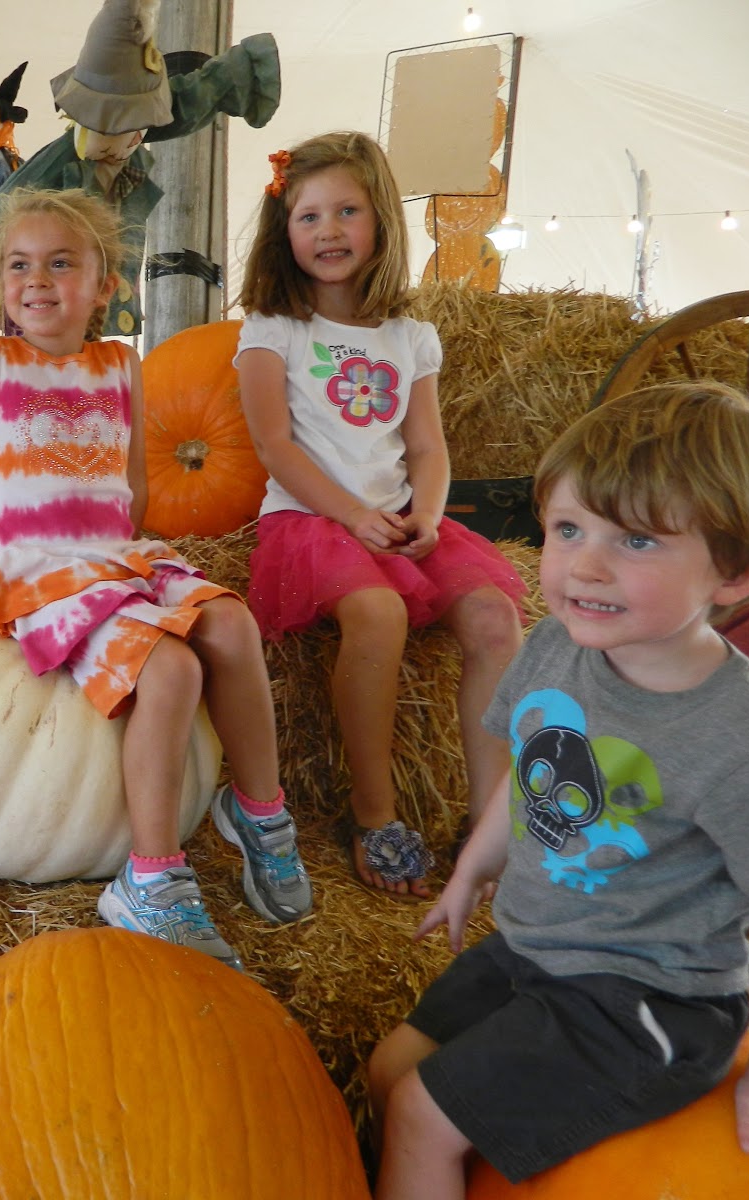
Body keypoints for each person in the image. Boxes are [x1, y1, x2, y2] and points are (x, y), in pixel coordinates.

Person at [0, 186, 310, 970]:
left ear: (104, 282)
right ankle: (150, 878)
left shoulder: (122, 365)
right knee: (173, 665)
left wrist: (126, 552)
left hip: (116, 560)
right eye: (20, 265)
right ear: (0, 284)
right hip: (37, 574)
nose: (38, 280)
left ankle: (260, 811)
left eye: (61, 263)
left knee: (231, 624)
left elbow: (135, 487)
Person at [367, 381, 749, 1196]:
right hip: (535, 949)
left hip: (648, 1001)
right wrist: (476, 866)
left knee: (416, 1112)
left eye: (638, 542)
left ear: (734, 573)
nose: (585, 564)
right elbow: (531, 774)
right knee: (387, 1070)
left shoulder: (739, 739)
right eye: (569, 528)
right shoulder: (559, 646)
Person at [234, 130, 527, 898]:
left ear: (380, 222)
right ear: (283, 230)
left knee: (497, 619)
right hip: (309, 518)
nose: (328, 230)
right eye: (308, 216)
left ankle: (487, 822)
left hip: (399, 516)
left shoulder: (410, 336)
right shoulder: (273, 330)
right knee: (378, 612)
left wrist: (426, 513)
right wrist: (354, 516)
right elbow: (274, 445)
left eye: (347, 211)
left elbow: (427, 447)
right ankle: (375, 816)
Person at [0, 0, 281, 358]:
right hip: (41, 320)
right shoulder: (56, 166)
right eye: (109, 129)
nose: (126, 142)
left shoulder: (127, 149)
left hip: (88, 311)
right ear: (79, 118)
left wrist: (236, 75)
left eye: (137, 130)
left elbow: (185, 104)